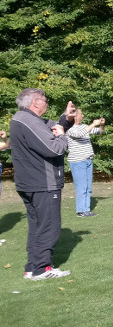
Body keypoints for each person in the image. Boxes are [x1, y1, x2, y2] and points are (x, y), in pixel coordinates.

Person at [10, 88, 76, 280]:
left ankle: (32, 267)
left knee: (37, 226)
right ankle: (41, 268)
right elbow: (54, 149)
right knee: (49, 226)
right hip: (42, 183)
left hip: (30, 183)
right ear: (35, 102)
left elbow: (51, 126)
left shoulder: (23, 118)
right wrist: (62, 136)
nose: (47, 103)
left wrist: (65, 118)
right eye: (45, 100)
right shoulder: (28, 120)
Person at [66, 109, 105, 217]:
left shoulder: (83, 126)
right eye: (81, 114)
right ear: (75, 116)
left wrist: (101, 125)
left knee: (88, 187)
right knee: (81, 187)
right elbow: (80, 134)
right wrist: (93, 124)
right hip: (78, 161)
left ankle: (86, 210)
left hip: (88, 160)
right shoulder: (69, 129)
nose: (82, 115)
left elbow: (100, 132)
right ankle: (81, 211)